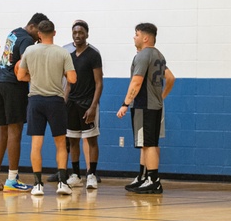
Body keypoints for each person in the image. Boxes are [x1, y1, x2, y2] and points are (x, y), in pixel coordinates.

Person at [0, 13, 48, 192]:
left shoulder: (13, 32)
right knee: (15, 131)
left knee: (2, 132)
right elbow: (23, 64)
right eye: (39, 33)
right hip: (13, 85)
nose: (39, 37)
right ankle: (12, 179)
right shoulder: (27, 41)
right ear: (34, 27)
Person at [18, 19, 77, 196]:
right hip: (55, 101)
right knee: (60, 143)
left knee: (36, 144)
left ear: (38, 34)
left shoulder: (29, 50)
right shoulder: (63, 53)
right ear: (55, 33)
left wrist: (35, 78)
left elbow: (21, 76)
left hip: (35, 101)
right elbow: (72, 79)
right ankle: (62, 183)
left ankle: (37, 184)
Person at [117, 22, 175, 195]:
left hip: (144, 106)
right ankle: (143, 177)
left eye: (136, 34)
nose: (133, 37)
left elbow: (137, 81)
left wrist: (125, 103)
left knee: (148, 144)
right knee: (146, 144)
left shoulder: (143, 55)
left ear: (145, 37)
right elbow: (171, 78)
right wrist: (161, 96)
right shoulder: (158, 55)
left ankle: (153, 180)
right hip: (154, 106)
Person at [65, 20, 103, 189]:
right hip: (72, 104)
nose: (78, 35)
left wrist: (93, 106)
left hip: (88, 103)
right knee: (73, 140)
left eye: (81, 32)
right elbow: (69, 83)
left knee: (91, 139)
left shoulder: (93, 54)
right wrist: (63, 102)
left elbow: (99, 83)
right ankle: (75, 175)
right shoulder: (70, 56)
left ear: (87, 34)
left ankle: (92, 174)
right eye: (75, 33)